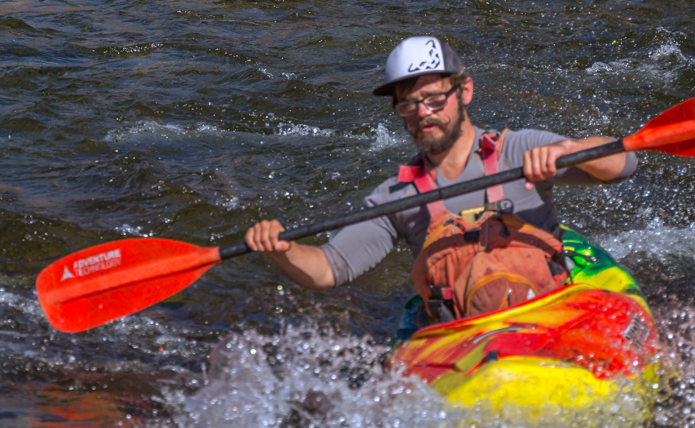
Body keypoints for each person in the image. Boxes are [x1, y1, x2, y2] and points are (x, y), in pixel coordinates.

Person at [243, 36, 636, 333]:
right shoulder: (397, 197)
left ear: (464, 91)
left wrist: (572, 150)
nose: (422, 113)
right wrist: (283, 249)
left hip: (548, 311)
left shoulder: (520, 150)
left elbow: (623, 164)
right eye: (408, 104)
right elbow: (330, 269)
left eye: (433, 99)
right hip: (465, 334)